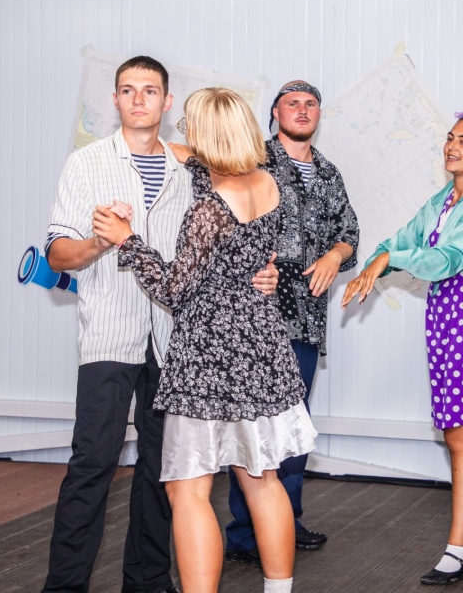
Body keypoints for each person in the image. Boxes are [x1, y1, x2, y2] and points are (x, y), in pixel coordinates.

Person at [41, 58, 278, 593]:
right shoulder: (85, 163)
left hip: (176, 342)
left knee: (162, 468)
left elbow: (236, 227)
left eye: (150, 90)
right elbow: (57, 254)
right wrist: (100, 241)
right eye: (127, 90)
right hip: (109, 333)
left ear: (167, 103)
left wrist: (264, 272)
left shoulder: (193, 167)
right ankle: (63, 587)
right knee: (92, 463)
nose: (138, 99)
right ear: (115, 100)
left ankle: (148, 582)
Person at [92, 87, 318, 593]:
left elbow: (174, 290)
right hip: (261, 347)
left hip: (210, 357)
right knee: (261, 478)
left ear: (208, 135)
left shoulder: (209, 211)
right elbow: (211, 175)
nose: (185, 133)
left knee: (188, 489)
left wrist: (128, 241)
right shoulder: (267, 182)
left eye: (191, 125)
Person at [341, 112, 463, 586]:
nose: (452, 146)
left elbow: (447, 259)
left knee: (460, 435)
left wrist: (389, 259)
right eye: (450, 139)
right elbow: (402, 239)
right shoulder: (443, 199)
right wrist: (379, 257)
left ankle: (459, 549)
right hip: (445, 316)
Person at [224, 80, 360, 565]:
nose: (302, 110)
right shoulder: (251, 161)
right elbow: (228, 227)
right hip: (257, 317)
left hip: (305, 321)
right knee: (253, 425)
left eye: (310, 104)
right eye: (292, 104)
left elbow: (350, 232)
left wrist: (336, 255)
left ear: (318, 114)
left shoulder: (328, 171)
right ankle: (245, 533)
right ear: (275, 113)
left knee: (293, 425)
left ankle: (286, 521)